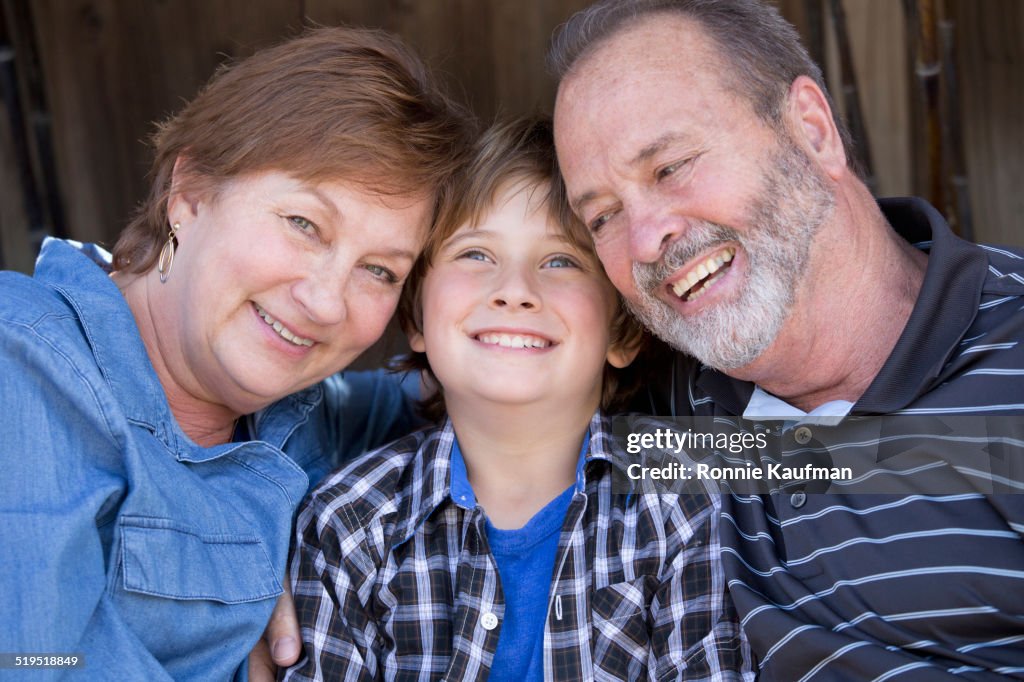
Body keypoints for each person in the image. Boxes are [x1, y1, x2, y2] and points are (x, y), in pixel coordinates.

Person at [549, 0, 1024, 679]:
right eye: (602, 216)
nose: (646, 238)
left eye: (671, 166)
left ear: (812, 129)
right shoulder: (658, 409)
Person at [0, 26, 473, 680]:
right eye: (305, 225)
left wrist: (665, 461)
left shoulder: (310, 417)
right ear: (189, 195)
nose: (326, 302)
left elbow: (543, 423)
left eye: (381, 271)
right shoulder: (22, 355)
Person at [280, 118, 752, 681]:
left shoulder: (683, 501)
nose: (514, 291)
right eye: (475, 254)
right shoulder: (347, 525)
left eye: (560, 261)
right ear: (417, 318)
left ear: (623, 333)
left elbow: (875, 454)